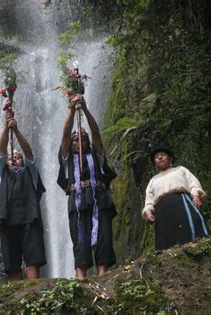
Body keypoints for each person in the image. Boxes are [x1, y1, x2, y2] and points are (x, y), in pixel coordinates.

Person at [58, 95, 117, 279]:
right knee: (80, 241)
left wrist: (85, 109)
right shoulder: (67, 159)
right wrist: (71, 110)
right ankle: (81, 279)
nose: (79, 142)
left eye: (83, 139)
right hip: (77, 202)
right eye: (76, 140)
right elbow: (65, 135)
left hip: (99, 200)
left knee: (103, 239)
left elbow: (96, 133)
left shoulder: (96, 155)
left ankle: (102, 277)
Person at [0, 111, 46, 280]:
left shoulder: (30, 173)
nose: (14, 159)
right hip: (7, 219)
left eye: (18, 157)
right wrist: (7, 129)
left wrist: (17, 131)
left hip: (30, 218)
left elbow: (29, 153)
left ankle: (33, 290)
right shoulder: (1, 173)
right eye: (10, 157)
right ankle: (15, 293)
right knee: (12, 262)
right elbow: (1, 150)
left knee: (33, 259)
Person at [142, 145, 209, 250]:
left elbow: (193, 183)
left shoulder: (180, 170)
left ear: (170, 158)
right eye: (156, 157)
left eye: (163, 155)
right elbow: (149, 200)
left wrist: (196, 195)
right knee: (167, 238)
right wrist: (149, 212)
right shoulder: (153, 180)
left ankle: (199, 248)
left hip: (182, 202)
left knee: (193, 225)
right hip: (162, 211)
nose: (160, 158)